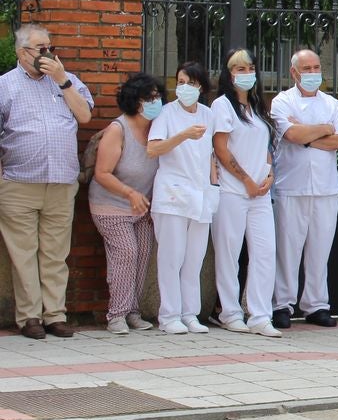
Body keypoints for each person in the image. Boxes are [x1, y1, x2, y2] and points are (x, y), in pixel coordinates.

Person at [0, 24, 94, 339]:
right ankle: (30, 318)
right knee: (24, 254)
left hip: (61, 182)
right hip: (19, 183)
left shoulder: (67, 80)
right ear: (21, 52)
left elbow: (84, 116)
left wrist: (62, 80)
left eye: (48, 47)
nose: (45, 53)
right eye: (38, 48)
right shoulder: (6, 86)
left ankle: (55, 315)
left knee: (55, 254)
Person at [270, 49, 338, 328]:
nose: (313, 73)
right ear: (294, 72)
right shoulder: (282, 102)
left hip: (327, 188)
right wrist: (321, 130)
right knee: (287, 250)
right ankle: (282, 304)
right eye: (307, 68)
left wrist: (307, 134)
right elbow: (290, 134)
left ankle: (316, 305)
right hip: (291, 186)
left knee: (320, 250)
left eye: (317, 67)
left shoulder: (333, 105)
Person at [210, 49, 281, 338]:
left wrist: (268, 174)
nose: (246, 73)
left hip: (260, 194)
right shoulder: (222, 106)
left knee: (265, 252)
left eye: (250, 67)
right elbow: (221, 148)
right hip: (232, 192)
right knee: (229, 253)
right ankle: (229, 312)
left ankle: (260, 315)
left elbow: (264, 146)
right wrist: (246, 180)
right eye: (239, 69)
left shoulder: (256, 107)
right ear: (228, 74)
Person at [147, 61, 217, 334]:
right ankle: (169, 316)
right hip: (172, 195)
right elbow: (154, 149)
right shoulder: (166, 114)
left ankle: (190, 313)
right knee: (171, 257)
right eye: (180, 82)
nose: (185, 88)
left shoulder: (209, 115)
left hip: (201, 194)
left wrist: (214, 187)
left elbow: (210, 154)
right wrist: (184, 135)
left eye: (191, 83)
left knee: (194, 259)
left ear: (201, 87)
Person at [89, 73, 160, 335]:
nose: (155, 102)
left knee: (142, 255)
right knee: (126, 252)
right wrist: (130, 193)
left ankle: (133, 311)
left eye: (157, 96)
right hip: (111, 204)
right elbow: (102, 173)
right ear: (134, 100)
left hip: (141, 206)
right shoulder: (118, 129)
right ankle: (116, 314)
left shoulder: (157, 128)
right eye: (148, 97)